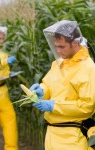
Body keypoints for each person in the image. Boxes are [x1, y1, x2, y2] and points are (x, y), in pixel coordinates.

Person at [30, 20, 95, 150]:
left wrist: (54, 105)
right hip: (52, 133)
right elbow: (48, 84)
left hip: (72, 138)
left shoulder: (88, 68)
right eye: (56, 46)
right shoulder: (59, 64)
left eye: (62, 47)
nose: (58, 51)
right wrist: (42, 91)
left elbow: (87, 106)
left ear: (75, 43)